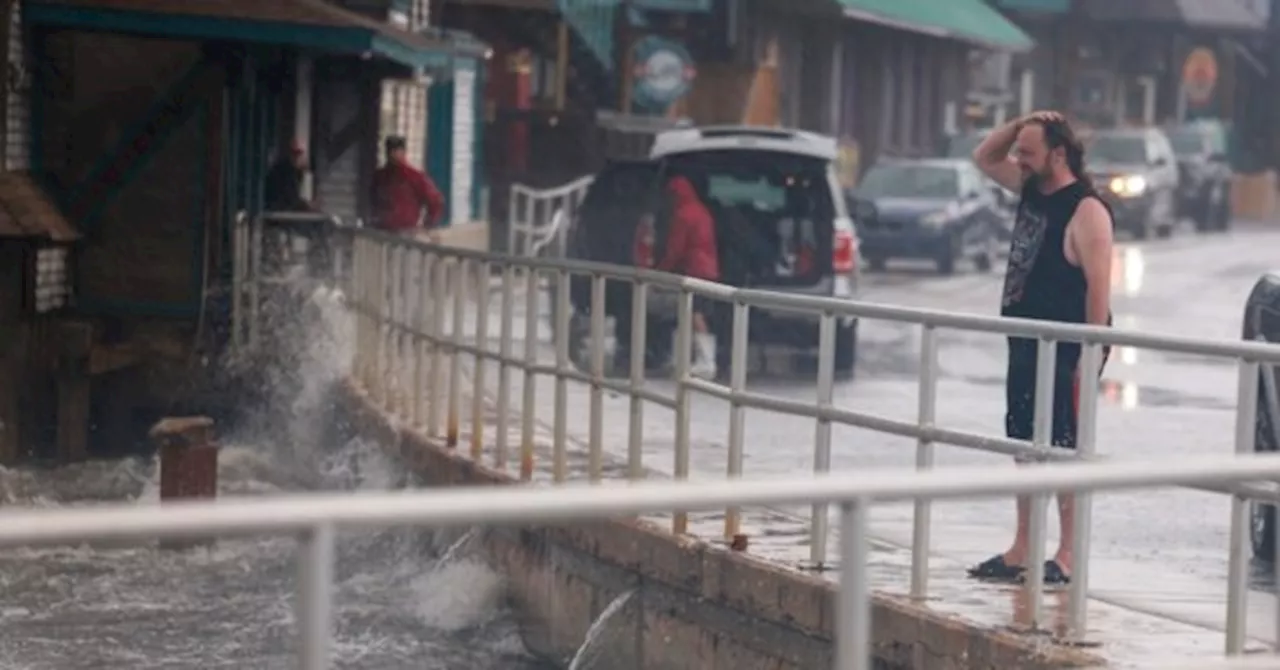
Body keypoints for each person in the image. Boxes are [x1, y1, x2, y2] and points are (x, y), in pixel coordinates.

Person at [967, 110, 1115, 586]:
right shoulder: (1032, 189)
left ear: (1058, 154)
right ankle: (1023, 547)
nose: (1019, 161)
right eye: (1020, 153)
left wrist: (1091, 354)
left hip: (1068, 346)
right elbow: (985, 157)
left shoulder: (1086, 210)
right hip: (1026, 339)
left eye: (1029, 153)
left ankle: (1068, 553)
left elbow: (1099, 290)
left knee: (1064, 446)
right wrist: (1019, 124)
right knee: (1024, 443)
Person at [657, 176, 721, 379]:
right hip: (710, 268)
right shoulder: (703, 212)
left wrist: (662, 269)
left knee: (695, 313)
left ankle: (705, 361)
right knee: (691, 312)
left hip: (694, 269)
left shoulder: (683, 215)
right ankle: (685, 359)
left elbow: (676, 247)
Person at [371, 135, 445, 239]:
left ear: (403, 152)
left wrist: (428, 224)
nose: (393, 155)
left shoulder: (414, 177)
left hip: (406, 232)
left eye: (397, 151)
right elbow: (372, 199)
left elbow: (435, 200)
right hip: (382, 231)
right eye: (390, 151)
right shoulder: (380, 176)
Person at [264, 139, 312, 213]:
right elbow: (290, 197)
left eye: (300, 154)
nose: (298, 158)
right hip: (279, 212)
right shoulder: (282, 172)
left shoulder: (298, 172)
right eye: (295, 154)